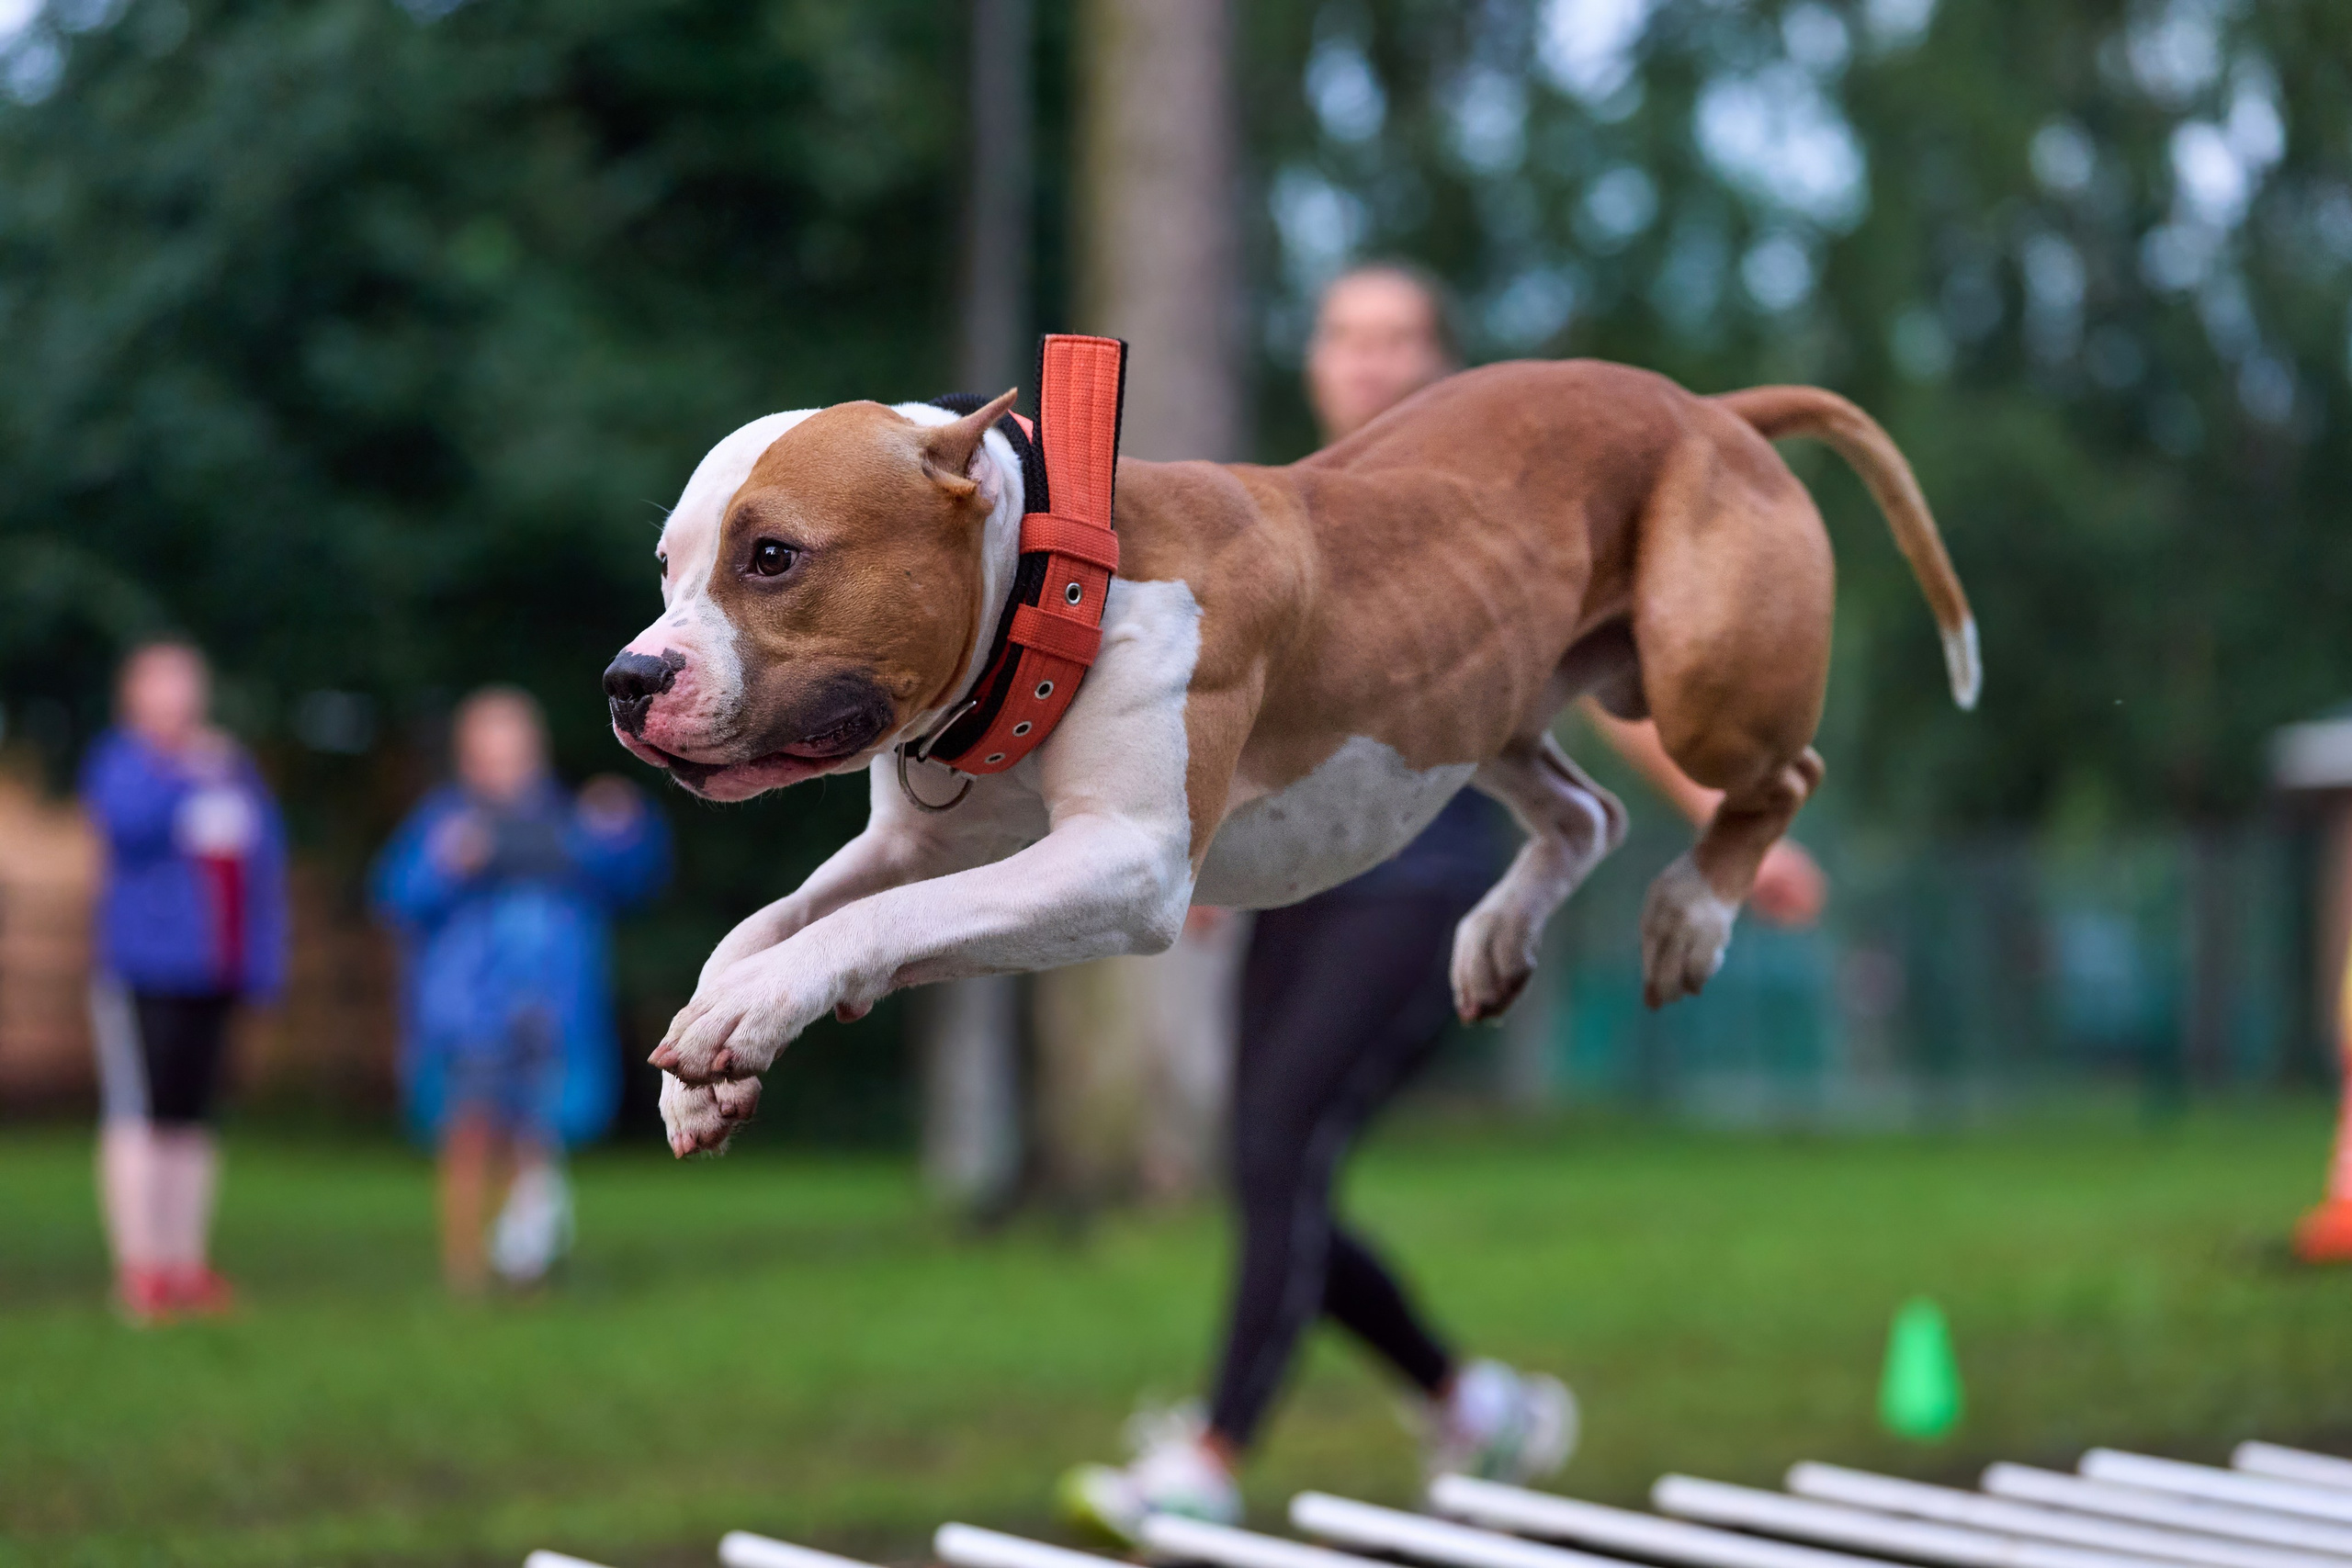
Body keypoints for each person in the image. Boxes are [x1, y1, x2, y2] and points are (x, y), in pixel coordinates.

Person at [1061, 264, 1827, 1537]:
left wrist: (1716, 811)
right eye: (1347, 337)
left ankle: (1210, 1453)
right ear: (1316, 358)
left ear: (1445, 363)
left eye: (1399, 339)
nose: (1369, 362)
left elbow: (1614, 655)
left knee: (1280, 1155)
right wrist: (1196, 846)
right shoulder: (1296, 500)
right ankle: (1476, 1404)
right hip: (1303, 883)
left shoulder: (1498, 507)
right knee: (1270, 1174)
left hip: (1419, 881)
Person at [372, 686, 670, 1293]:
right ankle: (465, 1267)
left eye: (515, 750)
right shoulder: (444, 823)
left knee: (537, 1134)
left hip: (552, 1007)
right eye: (491, 752)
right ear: (467, 757)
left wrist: (628, 823)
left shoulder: (571, 822)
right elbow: (395, 895)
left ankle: (524, 1261)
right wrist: (444, 865)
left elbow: (637, 875)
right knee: (469, 1129)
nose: (504, 765)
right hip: (469, 1013)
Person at [82, 639, 289, 1324]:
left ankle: (183, 1262)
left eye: (186, 683)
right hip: (144, 970)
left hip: (214, 969)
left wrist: (261, 963)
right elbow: (127, 825)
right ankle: (138, 1268)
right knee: (140, 1116)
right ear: (134, 694)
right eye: (161, 683)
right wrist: (182, 776)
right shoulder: (125, 762)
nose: (177, 698)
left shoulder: (229, 767)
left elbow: (263, 857)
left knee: (192, 1121)